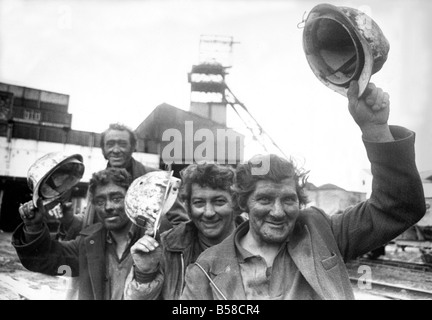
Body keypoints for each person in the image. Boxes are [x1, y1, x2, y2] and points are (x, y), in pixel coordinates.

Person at [180, 81, 426, 300]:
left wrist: (375, 129)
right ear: (243, 203)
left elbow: (400, 206)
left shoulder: (321, 232)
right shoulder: (206, 269)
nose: (278, 212)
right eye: (264, 199)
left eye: (288, 199)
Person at [12, 168, 159, 300]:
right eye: (100, 201)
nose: (108, 207)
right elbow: (41, 260)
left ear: (131, 198)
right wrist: (33, 225)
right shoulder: (88, 243)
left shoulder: (154, 239)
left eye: (116, 198)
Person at [124, 163, 245, 300]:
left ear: (235, 204)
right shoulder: (166, 248)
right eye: (199, 203)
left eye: (219, 201)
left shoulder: (258, 244)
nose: (209, 212)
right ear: (188, 207)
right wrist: (145, 275)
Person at [56, 123, 188, 240]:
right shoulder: (98, 182)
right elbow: (88, 221)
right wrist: (70, 219)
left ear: (133, 147)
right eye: (110, 144)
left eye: (123, 144)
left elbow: (181, 223)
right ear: (103, 150)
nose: (116, 150)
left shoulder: (157, 179)